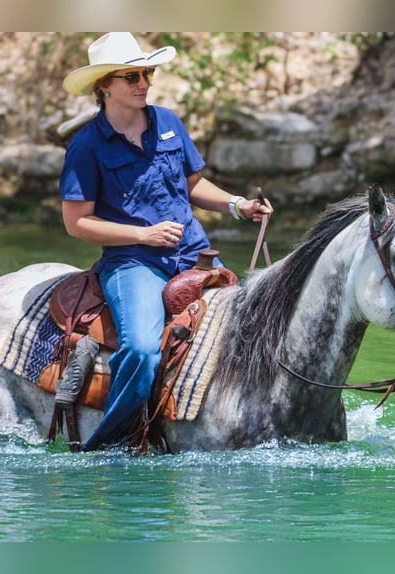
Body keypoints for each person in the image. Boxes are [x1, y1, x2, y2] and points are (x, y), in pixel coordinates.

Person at [58, 32, 272, 450]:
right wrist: (144, 234)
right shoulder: (85, 147)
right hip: (132, 263)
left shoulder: (168, 122)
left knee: (258, 328)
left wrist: (237, 205)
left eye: (147, 73)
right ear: (105, 86)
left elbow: (193, 184)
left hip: (196, 255)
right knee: (140, 349)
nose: (144, 83)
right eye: (131, 76)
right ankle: (112, 444)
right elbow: (76, 223)